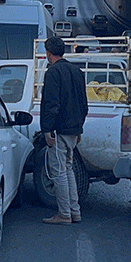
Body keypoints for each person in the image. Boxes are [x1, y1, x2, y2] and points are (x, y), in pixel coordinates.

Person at [39, 35, 89, 224]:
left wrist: (47, 129)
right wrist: (79, 129)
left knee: (58, 171)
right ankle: (74, 211)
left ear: (49, 53)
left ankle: (64, 214)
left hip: (59, 129)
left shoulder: (53, 73)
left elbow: (51, 103)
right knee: (68, 169)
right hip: (74, 129)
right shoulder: (77, 72)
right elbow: (84, 103)